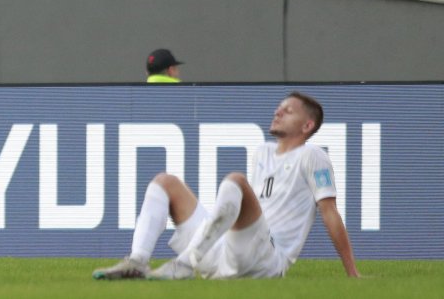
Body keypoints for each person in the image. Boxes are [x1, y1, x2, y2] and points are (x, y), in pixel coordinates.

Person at [92, 92, 357, 280]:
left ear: (307, 125)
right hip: (227, 252)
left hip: (267, 259)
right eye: (279, 107)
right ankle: (138, 260)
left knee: (236, 181)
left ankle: (185, 263)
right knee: (165, 182)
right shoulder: (262, 153)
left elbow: (329, 211)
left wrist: (352, 272)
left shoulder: (313, 156)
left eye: (288, 111)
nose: (277, 112)